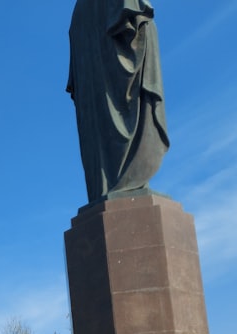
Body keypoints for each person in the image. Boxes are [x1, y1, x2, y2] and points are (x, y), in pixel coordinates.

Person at [67, 0, 169, 203]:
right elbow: (138, 23)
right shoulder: (82, 14)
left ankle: (110, 186)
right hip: (108, 92)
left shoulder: (78, 14)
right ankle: (124, 182)